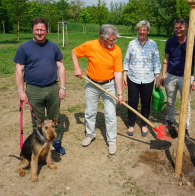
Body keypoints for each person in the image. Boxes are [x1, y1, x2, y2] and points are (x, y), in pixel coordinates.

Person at [13, 17, 67, 155]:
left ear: (46, 30)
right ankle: (39, 146)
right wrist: (21, 91)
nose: (39, 32)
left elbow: (61, 66)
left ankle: (56, 143)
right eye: (36, 29)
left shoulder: (54, 47)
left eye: (42, 29)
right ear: (32, 30)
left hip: (52, 88)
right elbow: (19, 70)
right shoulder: (24, 48)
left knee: (54, 118)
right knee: (38, 121)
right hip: (33, 90)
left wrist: (62, 87)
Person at [71, 24, 124, 155]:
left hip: (109, 85)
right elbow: (74, 52)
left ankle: (112, 141)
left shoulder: (116, 50)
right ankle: (90, 134)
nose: (113, 42)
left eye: (114, 39)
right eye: (111, 40)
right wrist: (77, 68)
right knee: (90, 111)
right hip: (92, 85)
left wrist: (120, 93)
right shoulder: (90, 45)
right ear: (102, 37)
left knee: (111, 115)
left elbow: (118, 73)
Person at [160, 17, 195, 139]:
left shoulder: (194, 41)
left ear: (186, 27)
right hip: (171, 76)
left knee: (185, 104)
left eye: (181, 27)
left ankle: (185, 127)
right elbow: (166, 59)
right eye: (176, 27)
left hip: (186, 77)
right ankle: (170, 121)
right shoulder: (170, 42)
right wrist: (163, 75)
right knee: (170, 102)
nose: (178, 30)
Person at [123, 20, 161, 137]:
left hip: (148, 79)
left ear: (148, 31)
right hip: (133, 78)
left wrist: (157, 77)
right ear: (137, 31)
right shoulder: (131, 44)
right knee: (132, 102)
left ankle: (144, 124)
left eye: (144, 30)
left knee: (145, 103)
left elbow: (156, 62)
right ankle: (131, 124)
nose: (142, 32)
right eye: (140, 30)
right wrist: (125, 74)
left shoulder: (153, 44)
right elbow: (127, 60)